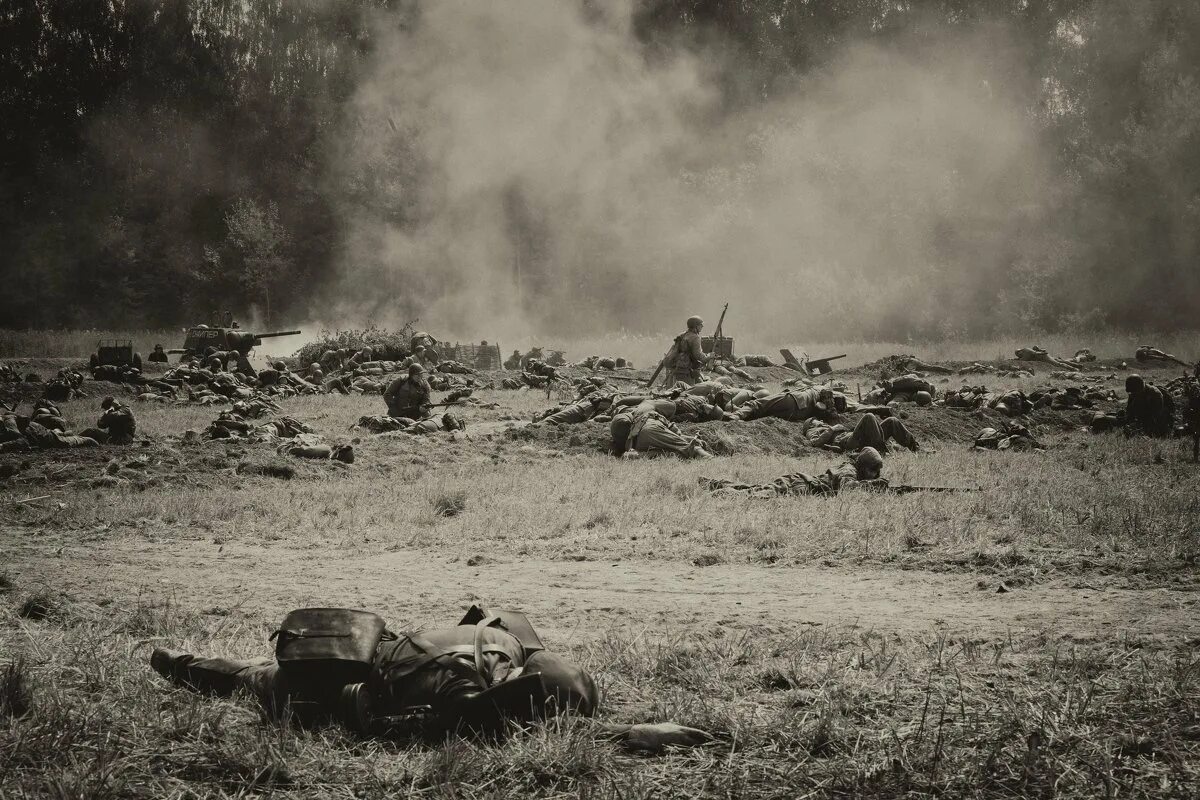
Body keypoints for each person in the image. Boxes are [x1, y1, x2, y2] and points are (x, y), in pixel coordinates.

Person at [149, 607, 710, 752]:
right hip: (356, 663)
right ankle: (182, 667)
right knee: (259, 679)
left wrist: (635, 730)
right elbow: (390, 726)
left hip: (381, 638)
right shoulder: (472, 697)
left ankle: (181, 661)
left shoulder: (503, 642)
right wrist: (629, 733)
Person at [703, 448, 888, 498]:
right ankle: (718, 492)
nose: (873, 475)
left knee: (757, 489)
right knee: (757, 496)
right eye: (872, 471)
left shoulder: (850, 467)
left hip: (801, 483)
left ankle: (714, 483)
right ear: (863, 466)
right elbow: (849, 488)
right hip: (802, 486)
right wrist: (874, 486)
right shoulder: (849, 471)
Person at [609, 399, 713, 458]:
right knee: (688, 448)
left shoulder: (625, 419)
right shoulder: (647, 407)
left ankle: (634, 456)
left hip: (636, 443)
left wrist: (688, 438)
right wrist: (686, 439)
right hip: (650, 427)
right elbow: (672, 430)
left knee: (670, 452)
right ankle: (710, 460)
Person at [801, 412, 918, 453]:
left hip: (857, 438)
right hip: (848, 443)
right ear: (811, 425)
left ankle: (915, 447)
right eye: (816, 421)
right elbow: (815, 442)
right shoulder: (812, 431)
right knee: (868, 416)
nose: (820, 421)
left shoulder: (824, 427)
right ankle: (880, 450)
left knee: (892, 421)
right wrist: (832, 428)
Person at [732, 387, 836, 423]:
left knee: (759, 404)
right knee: (764, 413)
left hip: (794, 399)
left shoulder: (817, 390)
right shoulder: (828, 405)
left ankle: (736, 415)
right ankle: (743, 418)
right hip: (798, 414)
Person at [665, 316, 706, 387]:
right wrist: (708, 357)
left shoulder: (682, 335)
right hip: (686, 370)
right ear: (695, 326)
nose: (702, 326)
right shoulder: (695, 338)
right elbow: (698, 355)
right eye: (700, 324)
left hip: (677, 367)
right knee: (686, 392)